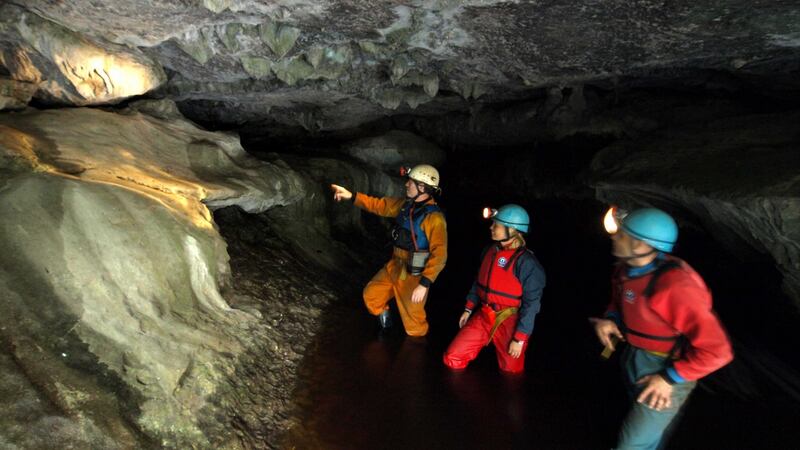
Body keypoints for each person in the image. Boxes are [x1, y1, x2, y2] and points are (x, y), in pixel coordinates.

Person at [590, 207, 734, 450]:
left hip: (668, 367)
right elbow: (621, 299)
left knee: (631, 445)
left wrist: (668, 379)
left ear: (639, 245)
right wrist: (611, 318)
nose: (614, 237)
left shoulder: (675, 287)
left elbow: (718, 351)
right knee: (647, 435)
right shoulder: (625, 269)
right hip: (635, 357)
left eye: (621, 234)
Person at [330, 164, 447, 336]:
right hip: (396, 264)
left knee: (414, 323)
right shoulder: (405, 206)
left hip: (414, 274)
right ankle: (386, 332)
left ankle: (415, 347)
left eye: (411, 182)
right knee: (372, 295)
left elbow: (440, 254)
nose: (406, 184)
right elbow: (379, 205)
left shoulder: (434, 218)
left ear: (422, 187)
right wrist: (352, 196)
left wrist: (424, 284)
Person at [443, 204, 546, 374]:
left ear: (512, 230)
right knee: (452, 358)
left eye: (496, 225)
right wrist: (468, 308)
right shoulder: (489, 251)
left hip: (510, 320)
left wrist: (519, 339)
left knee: (511, 372)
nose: (491, 228)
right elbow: (479, 281)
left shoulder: (527, 263)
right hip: (485, 315)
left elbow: (532, 305)